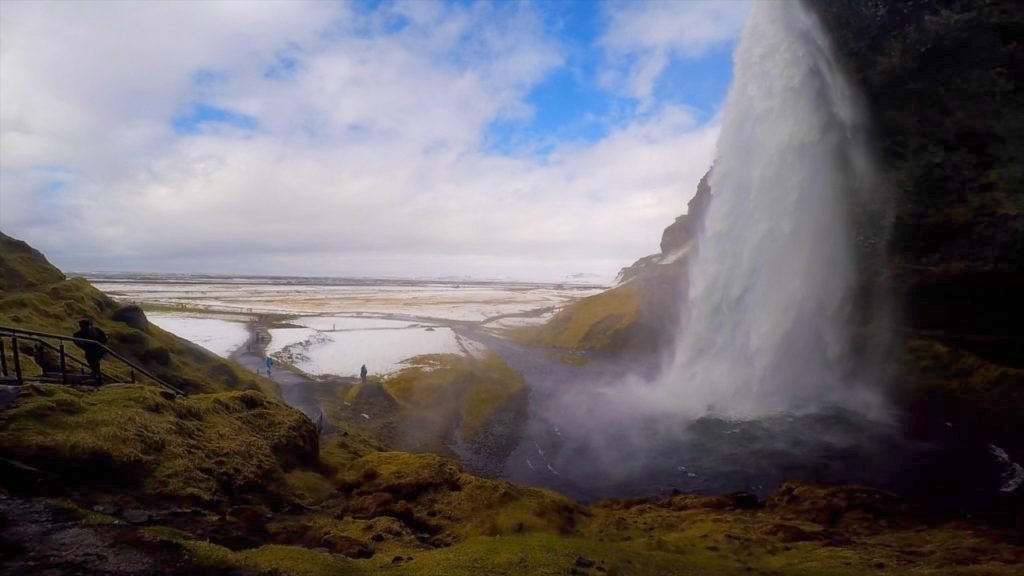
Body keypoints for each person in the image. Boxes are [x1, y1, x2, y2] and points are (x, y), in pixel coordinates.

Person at [73, 318, 108, 385]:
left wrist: (97, 343)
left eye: (87, 325)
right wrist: (86, 345)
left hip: (99, 349)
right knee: (92, 361)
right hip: (90, 350)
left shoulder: (97, 331)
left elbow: (104, 338)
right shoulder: (79, 334)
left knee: (94, 361)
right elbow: (77, 341)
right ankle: (96, 375)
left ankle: (97, 375)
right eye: (84, 326)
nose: (87, 328)